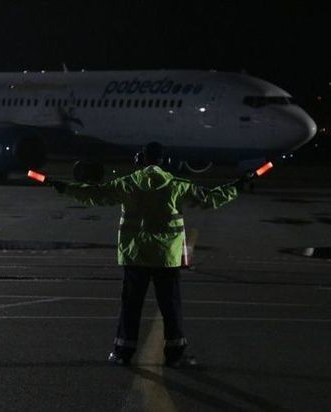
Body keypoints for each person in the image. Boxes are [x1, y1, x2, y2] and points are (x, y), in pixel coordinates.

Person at [53, 142, 238, 368]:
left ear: (139, 159)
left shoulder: (128, 183)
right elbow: (211, 198)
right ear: (165, 162)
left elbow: (95, 194)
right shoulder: (177, 185)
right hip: (166, 257)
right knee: (170, 308)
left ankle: (122, 353)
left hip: (135, 255)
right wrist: (237, 185)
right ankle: (175, 355)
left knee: (130, 306)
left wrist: (64, 187)